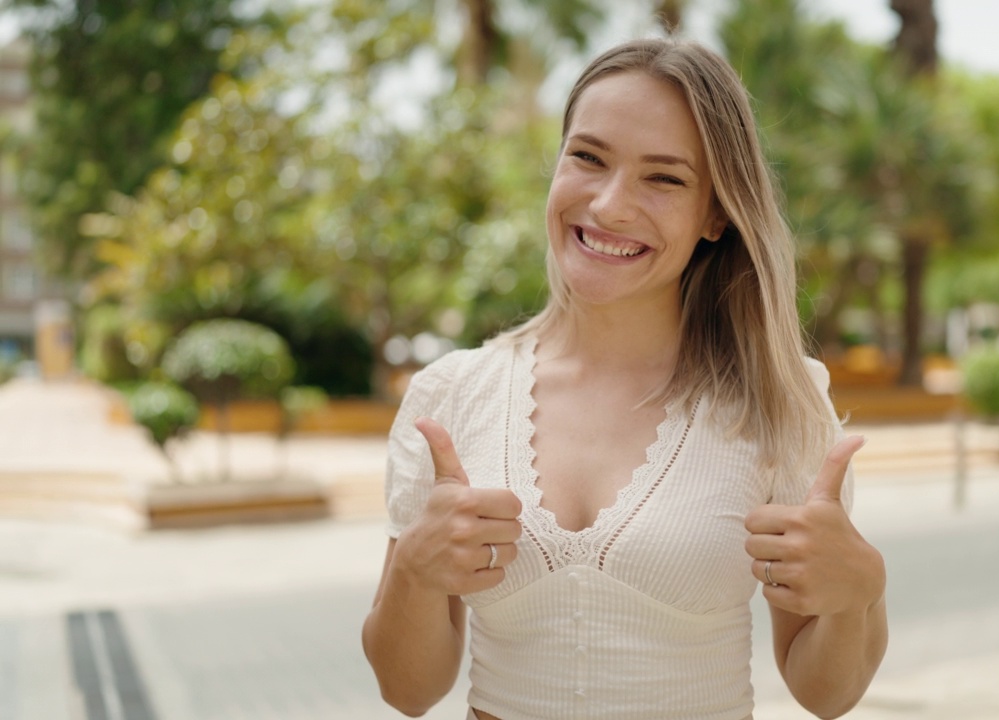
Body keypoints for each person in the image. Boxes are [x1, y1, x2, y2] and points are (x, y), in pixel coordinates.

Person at [362, 37, 887, 720]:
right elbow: (408, 690)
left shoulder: (775, 403)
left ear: (716, 214)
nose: (609, 205)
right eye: (587, 157)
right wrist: (413, 572)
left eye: (663, 178)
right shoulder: (452, 397)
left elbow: (826, 693)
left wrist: (859, 593)